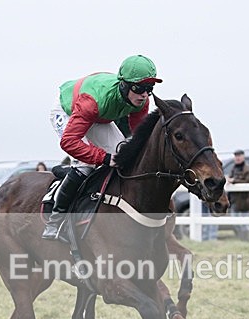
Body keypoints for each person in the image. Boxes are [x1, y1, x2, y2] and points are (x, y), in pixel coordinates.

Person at [43, 54, 162, 240]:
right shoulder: (92, 102)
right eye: (139, 88)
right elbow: (69, 142)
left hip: (98, 116)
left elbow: (139, 138)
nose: (145, 95)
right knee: (85, 165)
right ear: (124, 85)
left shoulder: (142, 101)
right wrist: (104, 158)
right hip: (69, 110)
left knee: (122, 154)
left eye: (149, 88)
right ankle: (55, 221)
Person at [227, 149, 249, 241]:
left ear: (243, 156)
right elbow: (230, 179)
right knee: (235, 221)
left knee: (244, 222)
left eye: (239, 156)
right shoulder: (233, 168)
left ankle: (246, 240)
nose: (237, 158)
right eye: (236, 156)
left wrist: (234, 181)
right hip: (234, 200)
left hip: (245, 200)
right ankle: (241, 239)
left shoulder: (247, 168)